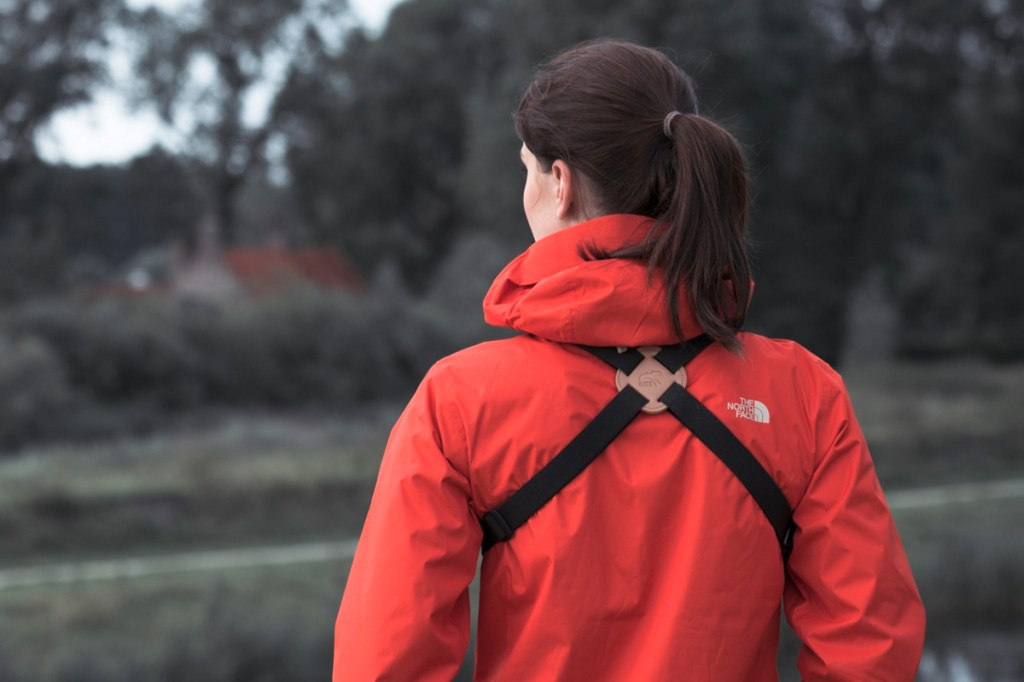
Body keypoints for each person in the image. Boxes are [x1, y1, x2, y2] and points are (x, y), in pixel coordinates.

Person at [333, 39, 925, 681]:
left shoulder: (461, 401)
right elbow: (872, 645)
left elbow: (385, 659)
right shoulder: (804, 393)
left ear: (559, 184)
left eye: (526, 169)